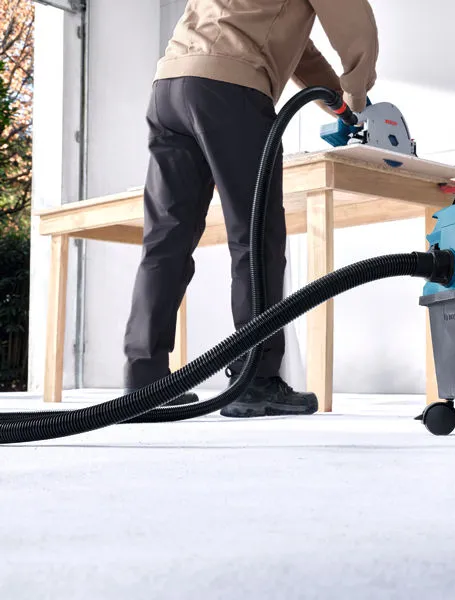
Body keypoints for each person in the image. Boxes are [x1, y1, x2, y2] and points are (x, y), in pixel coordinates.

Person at [122, 0, 379, 417]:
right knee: (255, 238)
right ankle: (255, 380)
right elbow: (354, 23)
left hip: (169, 87)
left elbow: (301, 52)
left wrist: (337, 103)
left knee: (166, 240)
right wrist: (358, 92)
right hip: (228, 90)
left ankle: (144, 382)